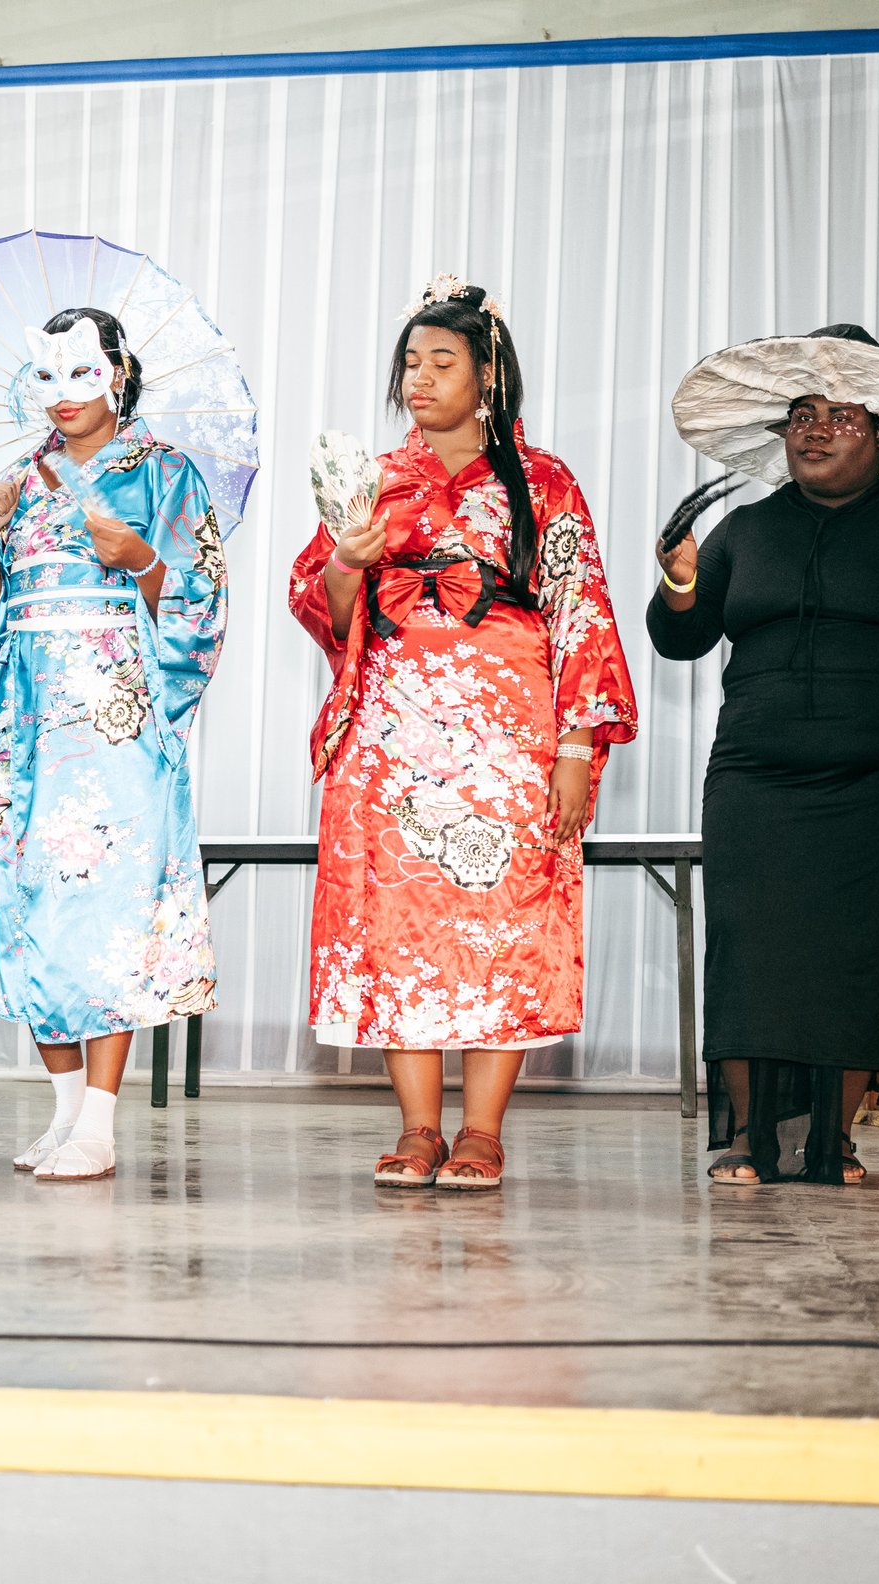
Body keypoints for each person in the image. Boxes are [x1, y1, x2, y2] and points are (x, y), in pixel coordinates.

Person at [289, 278, 638, 1192]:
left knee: (503, 917)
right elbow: (324, 609)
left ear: (488, 374)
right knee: (400, 921)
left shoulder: (544, 481)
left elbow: (582, 613)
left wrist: (574, 748)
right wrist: (345, 564)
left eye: (442, 361)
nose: (420, 378)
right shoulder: (375, 482)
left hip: (508, 734)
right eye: (410, 362)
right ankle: (417, 1129)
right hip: (395, 733)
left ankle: (481, 1130)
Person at [654, 324, 879, 1185]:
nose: (813, 431)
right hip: (755, 774)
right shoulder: (743, 530)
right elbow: (680, 641)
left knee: (861, 951)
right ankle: (747, 1140)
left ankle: (836, 1140)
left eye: (840, 416)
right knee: (749, 949)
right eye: (800, 415)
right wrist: (678, 584)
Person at [0, 308, 228, 1182]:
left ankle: (100, 1118)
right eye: (47, 377)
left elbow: (200, 604)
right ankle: (65, 1115)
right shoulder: (11, 484)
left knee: (108, 904)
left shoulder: (168, 476)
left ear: (118, 372)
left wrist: (139, 558)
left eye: (80, 374)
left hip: (112, 717)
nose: (62, 396)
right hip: (24, 713)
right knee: (28, 901)